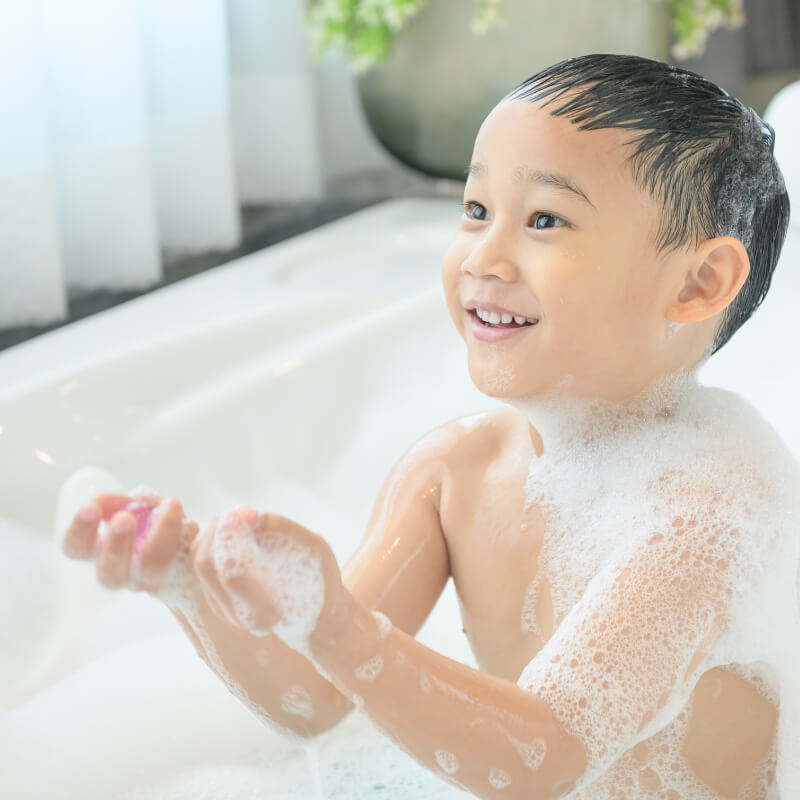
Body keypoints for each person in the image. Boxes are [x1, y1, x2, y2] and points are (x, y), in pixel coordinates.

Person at [62, 54, 797, 799]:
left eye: (545, 219)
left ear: (698, 284)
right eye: (476, 210)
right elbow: (314, 699)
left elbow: (545, 756)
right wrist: (187, 577)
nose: (483, 256)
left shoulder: (709, 507)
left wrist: (338, 627)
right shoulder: (454, 471)